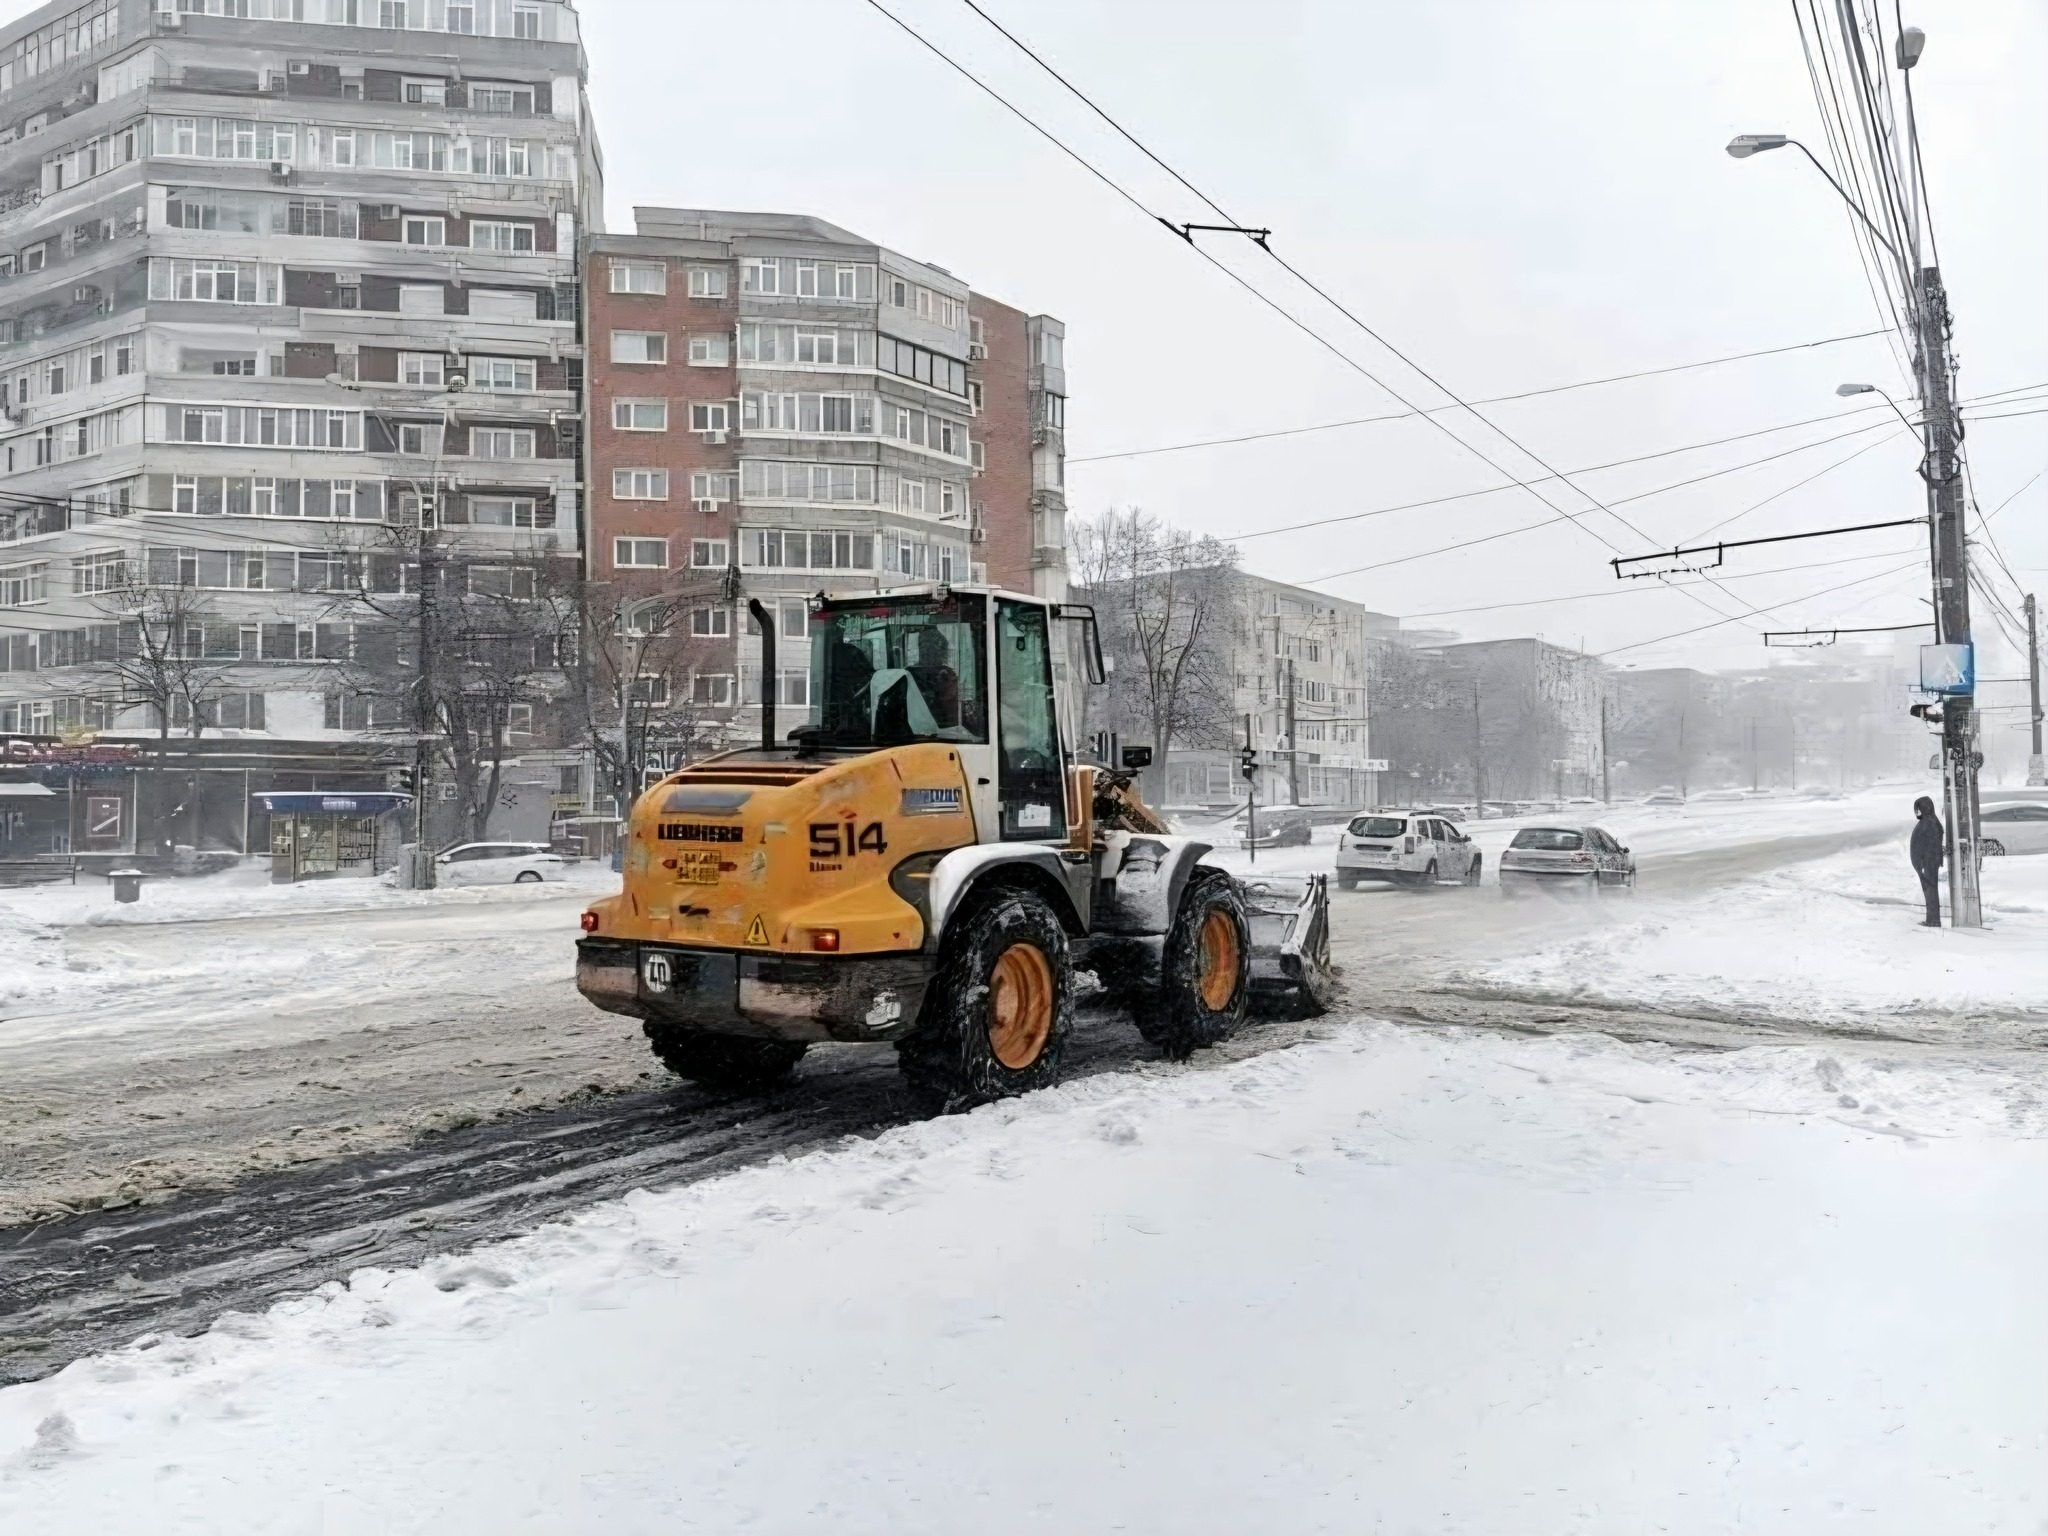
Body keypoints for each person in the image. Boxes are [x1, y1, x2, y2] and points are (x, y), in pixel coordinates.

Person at [1910, 795, 1944, 928]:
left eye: (1917, 809)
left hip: (1928, 865)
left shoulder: (1930, 824)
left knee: (1930, 892)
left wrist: (1924, 864)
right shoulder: (1928, 822)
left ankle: (1934, 920)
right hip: (1925, 865)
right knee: (1928, 892)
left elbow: (1931, 848)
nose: (1916, 813)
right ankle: (1931, 919)